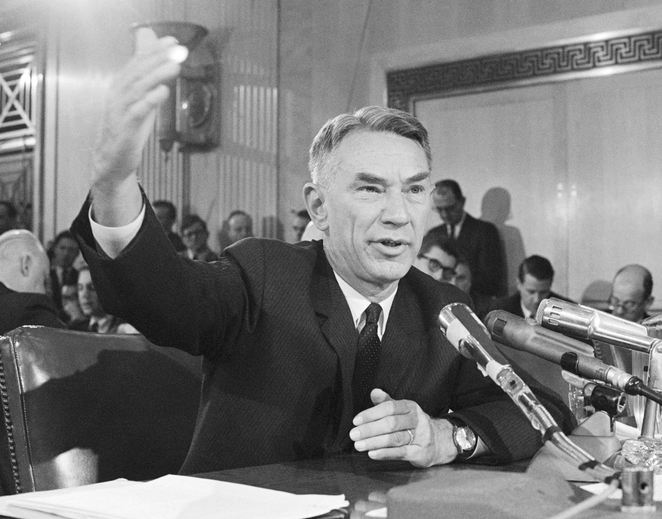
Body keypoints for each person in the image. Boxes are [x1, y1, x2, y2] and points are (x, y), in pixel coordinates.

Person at [70, 31, 572, 474]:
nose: (399, 214)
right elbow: (163, 298)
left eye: (415, 190)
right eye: (371, 189)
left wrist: (447, 437)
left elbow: (542, 410)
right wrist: (114, 182)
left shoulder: (443, 310)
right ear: (319, 206)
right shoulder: (264, 275)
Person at [426, 179, 506, 313]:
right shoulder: (433, 234)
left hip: (474, 308)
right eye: (439, 209)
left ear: (462, 202)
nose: (444, 214)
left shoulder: (485, 231)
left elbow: (491, 280)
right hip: (439, 308)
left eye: (450, 208)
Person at [0, 229, 65, 334]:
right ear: (25, 265)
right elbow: (65, 342)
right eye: (44, 280)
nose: (46, 291)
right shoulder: (29, 309)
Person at [483, 255, 572, 320]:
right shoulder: (498, 311)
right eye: (531, 292)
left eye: (543, 292)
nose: (537, 300)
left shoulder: (567, 313)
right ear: (518, 284)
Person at [69, 266, 138, 334]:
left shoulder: (127, 330)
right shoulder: (76, 329)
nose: (85, 295)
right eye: (80, 288)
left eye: (92, 287)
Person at [48, 230, 80, 318]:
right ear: (55, 249)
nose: (66, 254)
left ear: (77, 253)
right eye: (62, 248)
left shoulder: (80, 278)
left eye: (71, 250)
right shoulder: (46, 275)